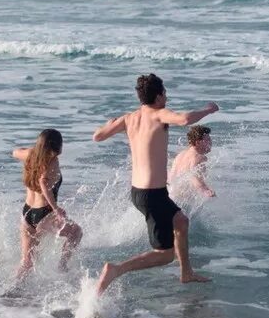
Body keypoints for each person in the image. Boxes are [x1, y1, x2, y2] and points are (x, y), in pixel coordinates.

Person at [92, 73, 218, 294]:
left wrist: (109, 123)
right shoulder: (159, 114)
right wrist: (208, 110)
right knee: (165, 255)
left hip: (143, 191)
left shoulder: (128, 118)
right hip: (152, 194)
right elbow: (185, 119)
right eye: (165, 93)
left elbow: (98, 137)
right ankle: (115, 270)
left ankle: (186, 273)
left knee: (181, 221)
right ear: (159, 96)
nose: (166, 97)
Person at [11, 128, 83, 279]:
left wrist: (31, 151)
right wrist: (56, 209)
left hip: (27, 213)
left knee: (27, 261)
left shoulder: (30, 155)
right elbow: (43, 182)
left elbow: (15, 152)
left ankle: (12, 291)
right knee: (76, 233)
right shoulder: (52, 161)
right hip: (44, 212)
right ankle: (62, 267)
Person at [170, 125, 215, 199]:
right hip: (181, 201)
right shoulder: (200, 157)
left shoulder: (180, 155)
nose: (211, 142)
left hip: (169, 197)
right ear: (198, 142)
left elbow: (171, 178)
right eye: (208, 139)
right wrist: (205, 191)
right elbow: (194, 177)